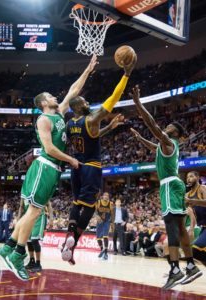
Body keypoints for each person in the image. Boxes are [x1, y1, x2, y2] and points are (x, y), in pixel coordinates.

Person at [0, 55, 98, 281]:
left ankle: (8, 247)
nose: (55, 97)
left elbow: (73, 89)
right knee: (34, 212)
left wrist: (88, 70)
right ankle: (17, 254)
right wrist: (70, 159)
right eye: (50, 96)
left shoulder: (59, 113)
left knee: (35, 211)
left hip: (52, 170)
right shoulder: (43, 119)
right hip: (45, 166)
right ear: (43, 103)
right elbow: (49, 148)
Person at [61, 61, 135, 265]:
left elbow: (92, 137)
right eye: (84, 102)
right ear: (78, 107)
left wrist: (110, 127)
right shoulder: (91, 118)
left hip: (76, 167)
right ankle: (73, 239)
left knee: (77, 203)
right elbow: (114, 98)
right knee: (90, 207)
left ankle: (70, 242)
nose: (87, 103)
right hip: (91, 167)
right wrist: (126, 75)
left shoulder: (69, 124)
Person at [130, 85, 202, 290]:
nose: (166, 126)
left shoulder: (169, 142)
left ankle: (174, 269)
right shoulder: (166, 146)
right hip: (173, 185)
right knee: (179, 228)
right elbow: (152, 146)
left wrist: (137, 103)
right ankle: (190, 265)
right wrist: (139, 138)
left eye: (170, 126)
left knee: (172, 226)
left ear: (175, 132)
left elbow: (152, 124)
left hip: (170, 185)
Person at [17, 198, 53, 272]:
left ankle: (38, 264)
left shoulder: (39, 189)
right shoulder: (24, 192)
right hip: (29, 218)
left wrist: (51, 219)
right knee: (29, 241)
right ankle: (31, 261)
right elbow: (21, 207)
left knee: (34, 240)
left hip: (39, 217)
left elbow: (49, 204)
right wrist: (18, 219)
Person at [186, 171, 206, 268]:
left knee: (196, 248)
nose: (188, 179)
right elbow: (191, 213)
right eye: (187, 177)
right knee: (196, 253)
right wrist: (191, 228)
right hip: (203, 226)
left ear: (197, 177)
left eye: (191, 176)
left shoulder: (202, 188)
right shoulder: (187, 195)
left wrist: (191, 201)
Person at [96, 192, 113, 260]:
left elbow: (112, 214)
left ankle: (106, 253)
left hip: (106, 222)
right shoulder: (99, 202)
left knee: (105, 236)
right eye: (105, 195)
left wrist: (111, 223)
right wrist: (96, 216)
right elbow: (95, 211)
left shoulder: (110, 203)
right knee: (98, 238)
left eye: (107, 195)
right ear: (102, 196)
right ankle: (102, 250)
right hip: (100, 221)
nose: (106, 196)